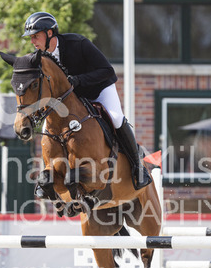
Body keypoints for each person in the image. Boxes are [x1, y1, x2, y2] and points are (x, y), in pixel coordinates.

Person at [21, 11, 151, 189]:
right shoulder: (39, 58)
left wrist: (79, 80)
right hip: (73, 99)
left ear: (49, 33)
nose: (32, 41)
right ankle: (48, 175)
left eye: (35, 36)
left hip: (99, 89)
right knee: (47, 127)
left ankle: (138, 167)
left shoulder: (78, 43)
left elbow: (107, 71)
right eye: (31, 37)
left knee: (116, 118)